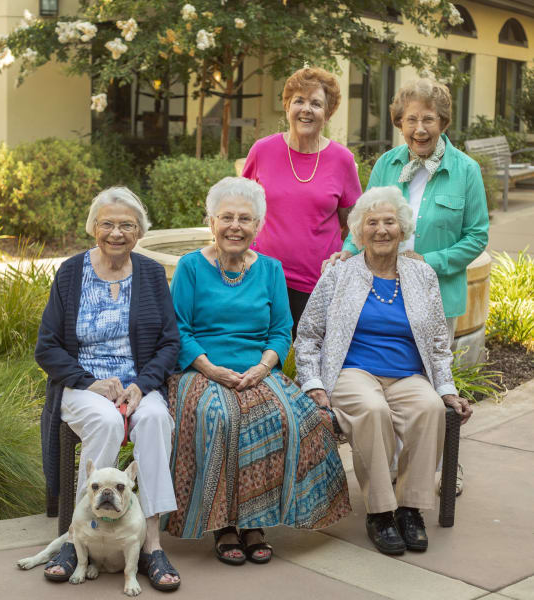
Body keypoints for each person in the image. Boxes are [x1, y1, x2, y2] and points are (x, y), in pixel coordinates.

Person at [165, 176, 350, 565]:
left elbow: (282, 330)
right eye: (227, 217)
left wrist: (264, 366)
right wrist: (210, 368)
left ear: (258, 226)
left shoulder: (270, 269)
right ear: (211, 222)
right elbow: (178, 329)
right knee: (218, 416)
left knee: (283, 415)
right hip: (200, 368)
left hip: (258, 367)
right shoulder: (191, 267)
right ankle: (223, 525)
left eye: (245, 219)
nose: (235, 226)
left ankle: (255, 522)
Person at [330, 77, 488, 496]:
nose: (420, 128)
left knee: (433, 384)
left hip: (435, 294)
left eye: (429, 119)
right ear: (400, 122)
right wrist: (348, 251)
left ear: (443, 122)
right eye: (411, 119)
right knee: (390, 385)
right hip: (381, 286)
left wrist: (427, 264)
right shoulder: (387, 163)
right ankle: (395, 474)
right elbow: (364, 216)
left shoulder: (466, 171)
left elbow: (476, 235)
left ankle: (440, 466)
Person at [295, 186, 472, 556]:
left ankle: (410, 510)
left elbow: (439, 342)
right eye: (371, 223)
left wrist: (447, 388)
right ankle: (380, 512)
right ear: (358, 232)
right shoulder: (339, 274)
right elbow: (308, 334)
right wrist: (312, 383)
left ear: (403, 229)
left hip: (408, 374)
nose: (381, 230)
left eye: (390, 222)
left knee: (430, 409)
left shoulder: (421, 275)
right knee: (372, 411)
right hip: (353, 371)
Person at [35, 187, 181, 591]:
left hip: (139, 382)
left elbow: (170, 342)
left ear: (140, 232)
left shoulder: (151, 273)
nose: (117, 233)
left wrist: (141, 385)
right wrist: (89, 382)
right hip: (85, 384)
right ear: (93, 228)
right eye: (108, 224)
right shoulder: (70, 273)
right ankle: (77, 537)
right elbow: (46, 346)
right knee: (106, 422)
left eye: (127, 225)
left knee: (154, 419)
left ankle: (151, 544)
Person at [243, 66, 362, 338]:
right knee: (263, 358)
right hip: (263, 280)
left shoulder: (342, 159)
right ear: (287, 106)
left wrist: (344, 257)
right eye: (299, 100)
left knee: (310, 361)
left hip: (318, 284)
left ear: (328, 113)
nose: (306, 109)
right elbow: (242, 210)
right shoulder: (262, 150)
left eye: (316, 103)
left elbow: (353, 223)